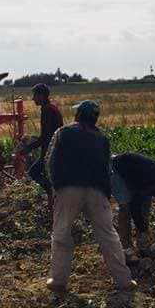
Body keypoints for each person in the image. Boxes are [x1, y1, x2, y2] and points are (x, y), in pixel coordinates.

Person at [44, 100, 135, 293]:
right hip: (97, 191)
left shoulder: (64, 133)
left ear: (78, 116)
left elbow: (50, 161)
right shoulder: (102, 139)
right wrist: (106, 193)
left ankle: (58, 281)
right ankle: (124, 281)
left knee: (61, 234)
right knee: (109, 235)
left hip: (68, 189)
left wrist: (53, 189)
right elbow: (107, 168)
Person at [20, 83, 63, 210]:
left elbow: (47, 136)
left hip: (51, 150)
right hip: (52, 148)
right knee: (46, 174)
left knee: (34, 172)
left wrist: (29, 147)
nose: (33, 99)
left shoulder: (47, 110)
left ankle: (52, 196)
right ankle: (52, 200)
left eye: (35, 95)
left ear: (41, 96)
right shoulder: (49, 108)